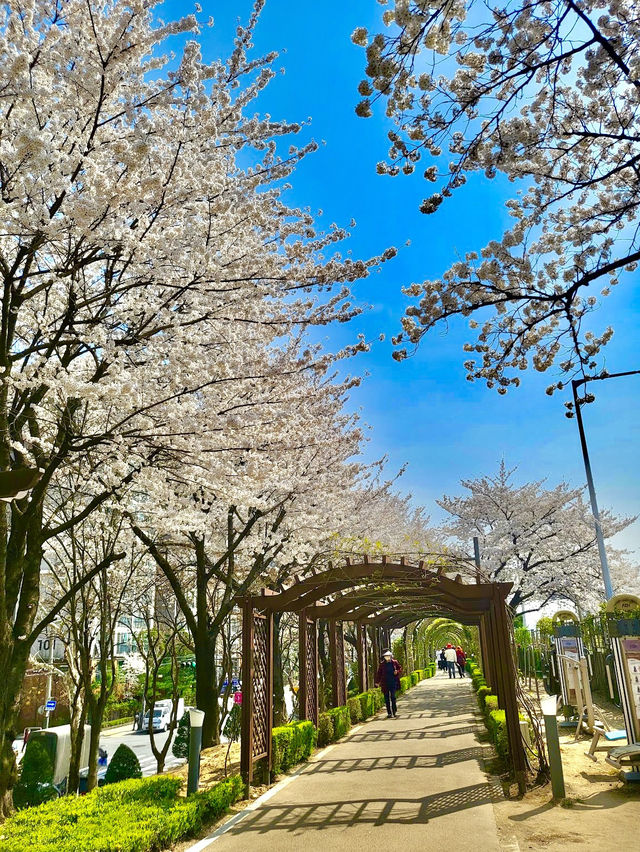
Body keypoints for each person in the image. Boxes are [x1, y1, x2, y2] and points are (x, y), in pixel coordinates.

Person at [375, 649, 402, 718]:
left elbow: (400, 668)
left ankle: (394, 711)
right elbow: (379, 674)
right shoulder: (382, 664)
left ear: (391, 656)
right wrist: (377, 682)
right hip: (385, 683)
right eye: (385, 656)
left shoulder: (394, 662)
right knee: (386, 698)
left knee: (393, 697)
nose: (387, 657)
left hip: (393, 682)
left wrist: (397, 672)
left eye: (388, 656)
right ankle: (389, 713)